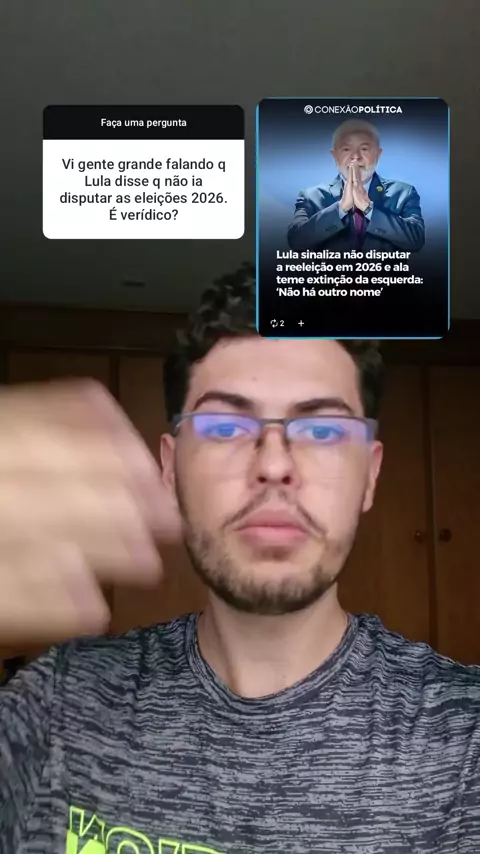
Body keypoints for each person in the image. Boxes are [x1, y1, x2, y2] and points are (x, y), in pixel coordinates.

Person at [0, 263, 478, 854]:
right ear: (171, 468)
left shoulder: (463, 738)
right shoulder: (58, 704)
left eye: (323, 431)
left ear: (370, 476)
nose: (274, 464)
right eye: (225, 426)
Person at [287, 119, 426, 254]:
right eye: (346, 149)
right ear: (335, 155)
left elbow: (416, 240)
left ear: (378, 154)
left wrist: (368, 209)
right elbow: (296, 241)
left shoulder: (403, 193)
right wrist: (340, 209)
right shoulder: (312, 196)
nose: (355, 156)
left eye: (364, 149)